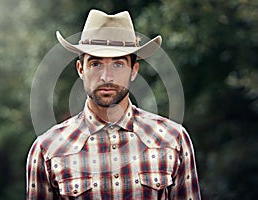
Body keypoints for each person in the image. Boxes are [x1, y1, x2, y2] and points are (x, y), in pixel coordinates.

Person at [26, 9, 201, 200]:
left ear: (133, 71)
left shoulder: (173, 140)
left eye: (118, 64)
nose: (106, 77)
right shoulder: (47, 149)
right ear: (80, 69)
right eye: (95, 64)